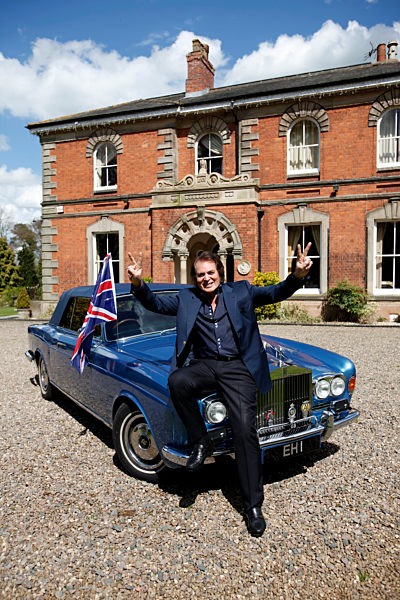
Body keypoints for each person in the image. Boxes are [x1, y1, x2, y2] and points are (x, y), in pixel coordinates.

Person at [127, 244, 312, 537]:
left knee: (244, 432)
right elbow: (155, 305)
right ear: (195, 277)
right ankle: (202, 441)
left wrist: (297, 276)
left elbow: (276, 292)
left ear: (219, 273)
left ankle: (253, 506)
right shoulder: (187, 299)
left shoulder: (241, 292)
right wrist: (138, 283)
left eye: (210, 273)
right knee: (177, 382)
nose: (205, 278)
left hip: (238, 368)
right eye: (200, 274)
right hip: (205, 365)